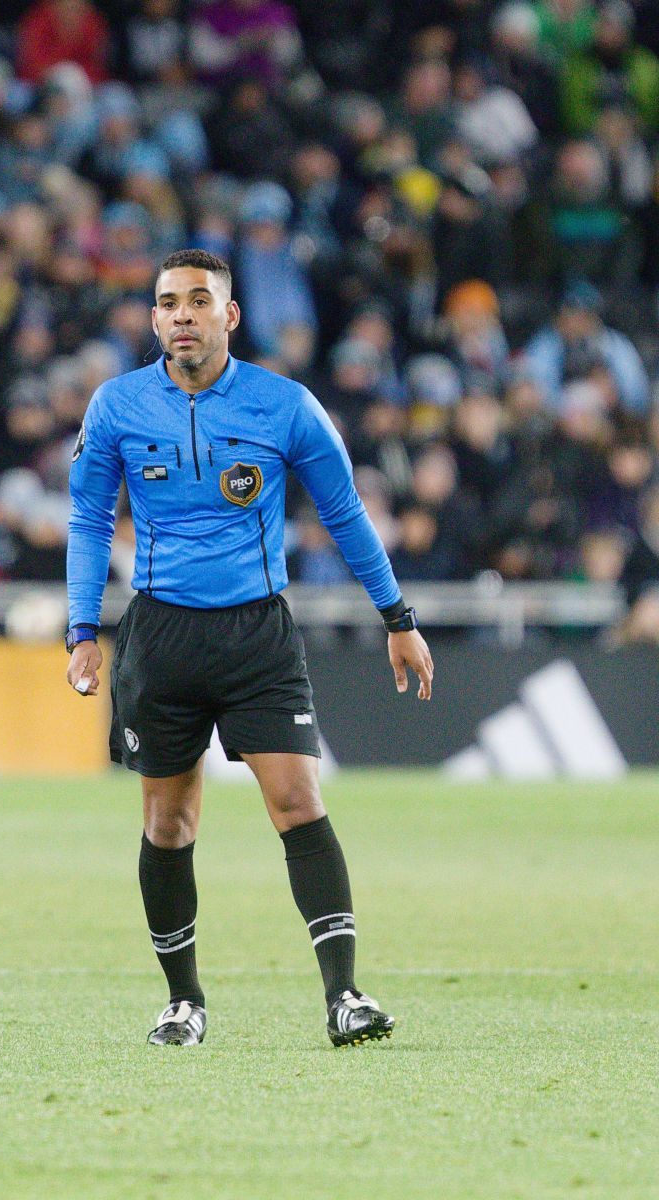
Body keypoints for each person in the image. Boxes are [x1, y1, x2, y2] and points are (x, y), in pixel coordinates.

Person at [66, 249, 435, 1048]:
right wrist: (80, 628)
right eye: (169, 303)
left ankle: (345, 995)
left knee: (298, 800)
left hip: (257, 634)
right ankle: (184, 1001)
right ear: (154, 318)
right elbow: (91, 521)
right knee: (168, 822)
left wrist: (396, 616)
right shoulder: (117, 406)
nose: (183, 315)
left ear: (231, 315)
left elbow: (345, 513)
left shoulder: (286, 406)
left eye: (201, 301)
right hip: (159, 636)